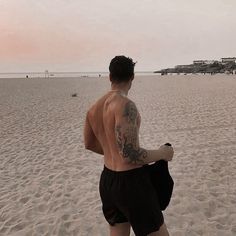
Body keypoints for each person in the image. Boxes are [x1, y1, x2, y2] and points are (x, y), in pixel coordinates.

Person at [84, 55, 174, 236]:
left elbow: (89, 144)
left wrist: (113, 152)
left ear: (110, 77)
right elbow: (131, 154)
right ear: (132, 78)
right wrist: (163, 153)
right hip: (131, 183)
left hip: (108, 181)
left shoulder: (94, 108)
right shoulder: (126, 105)